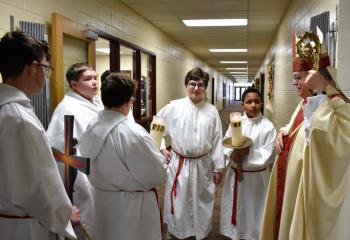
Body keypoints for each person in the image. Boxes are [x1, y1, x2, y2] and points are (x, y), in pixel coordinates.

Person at [260, 31, 350, 240]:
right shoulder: (306, 103)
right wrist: (282, 132)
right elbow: (296, 127)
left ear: (314, 76)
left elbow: (336, 145)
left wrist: (323, 88)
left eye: (298, 78)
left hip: (310, 198)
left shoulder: (336, 106)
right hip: (291, 189)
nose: (294, 83)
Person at [0, 31, 79, 239]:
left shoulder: (7, 110)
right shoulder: (19, 119)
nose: (46, 75)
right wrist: (64, 213)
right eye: (47, 68)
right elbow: (40, 184)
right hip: (24, 227)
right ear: (33, 67)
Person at [78, 72, 166, 240]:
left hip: (103, 200)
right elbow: (156, 175)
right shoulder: (132, 132)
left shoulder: (92, 126)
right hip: (131, 206)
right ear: (129, 101)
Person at [158, 67, 224, 239]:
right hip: (180, 163)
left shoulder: (212, 111)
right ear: (186, 85)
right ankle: (177, 232)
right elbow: (156, 128)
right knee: (179, 201)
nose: (196, 88)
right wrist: (162, 147)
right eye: (192, 84)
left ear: (205, 87)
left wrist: (218, 168)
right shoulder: (173, 107)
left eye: (200, 85)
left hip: (203, 164)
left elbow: (217, 139)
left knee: (202, 200)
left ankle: (199, 232)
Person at [47, 63, 103, 239]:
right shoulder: (68, 108)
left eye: (95, 78)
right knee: (86, 219)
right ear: (74, 84)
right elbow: (58, 151)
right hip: (79, 175)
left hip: (98, 169)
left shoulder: (96, 102)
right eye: (88, 79)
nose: (94, 82)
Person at [220, 88, 276, 240]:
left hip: (256, 178)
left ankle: (254, 235)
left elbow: (268, 153)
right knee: (238, 208)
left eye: (257, 101)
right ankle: (236, 234)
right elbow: (226, 143)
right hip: (235, 174)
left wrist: (246, 154)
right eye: (249, 102)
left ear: (261, 104)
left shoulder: (268, 126)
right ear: (242, 105)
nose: (253, 105)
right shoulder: (236, 123)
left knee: (255, 210)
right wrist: (232, 153)